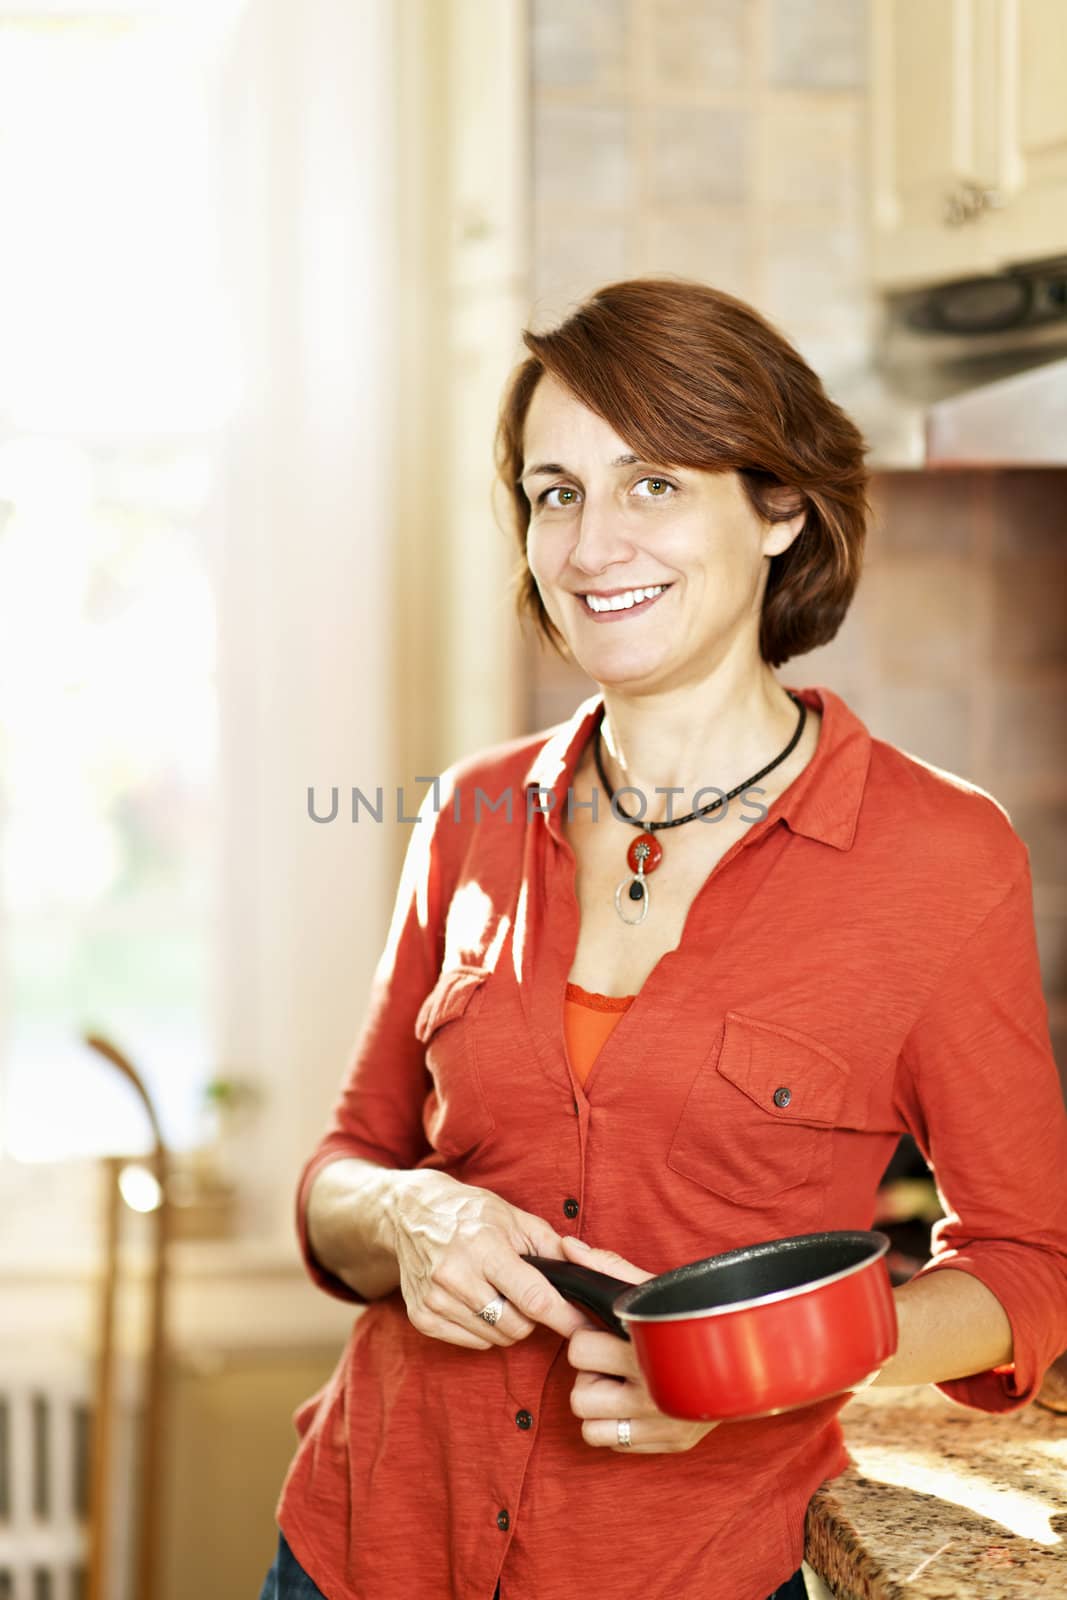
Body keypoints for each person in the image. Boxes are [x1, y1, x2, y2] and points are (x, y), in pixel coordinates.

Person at [259, 278, 1067, 1600]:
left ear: (780, 506)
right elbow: (344, 1169)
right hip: (363, 1540)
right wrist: (405, 1212)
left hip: (684, 1566)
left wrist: (768, 1363)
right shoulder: (468, 813)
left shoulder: (943, 861)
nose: (588, 548)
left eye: (653, 484)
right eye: (555, 492)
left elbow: (1032, 1269)